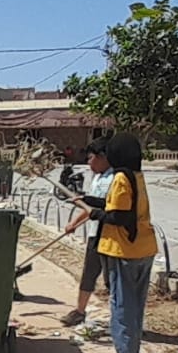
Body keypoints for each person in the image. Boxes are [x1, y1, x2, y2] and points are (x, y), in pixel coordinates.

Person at [96, 134, 158, 353]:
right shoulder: (137, 176)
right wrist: (90, 202)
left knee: (122, 307)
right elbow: (121, 207)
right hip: (145, 248)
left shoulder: (121, 178)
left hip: (125, 251)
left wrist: (97, 215)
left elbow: (119, 217)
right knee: (136, 307)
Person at [58, 136, 114, 327]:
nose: (88, 162)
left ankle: (119, 317)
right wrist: (73, 223)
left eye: (91, 158)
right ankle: (79, 311)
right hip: (94, 233)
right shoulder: (97, 178)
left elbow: (103, 206)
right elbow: (89, 209)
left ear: (103, 157)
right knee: (89, 273)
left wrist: (87, 204)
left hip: (110, 236)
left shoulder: (116, 178)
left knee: (111, 279)